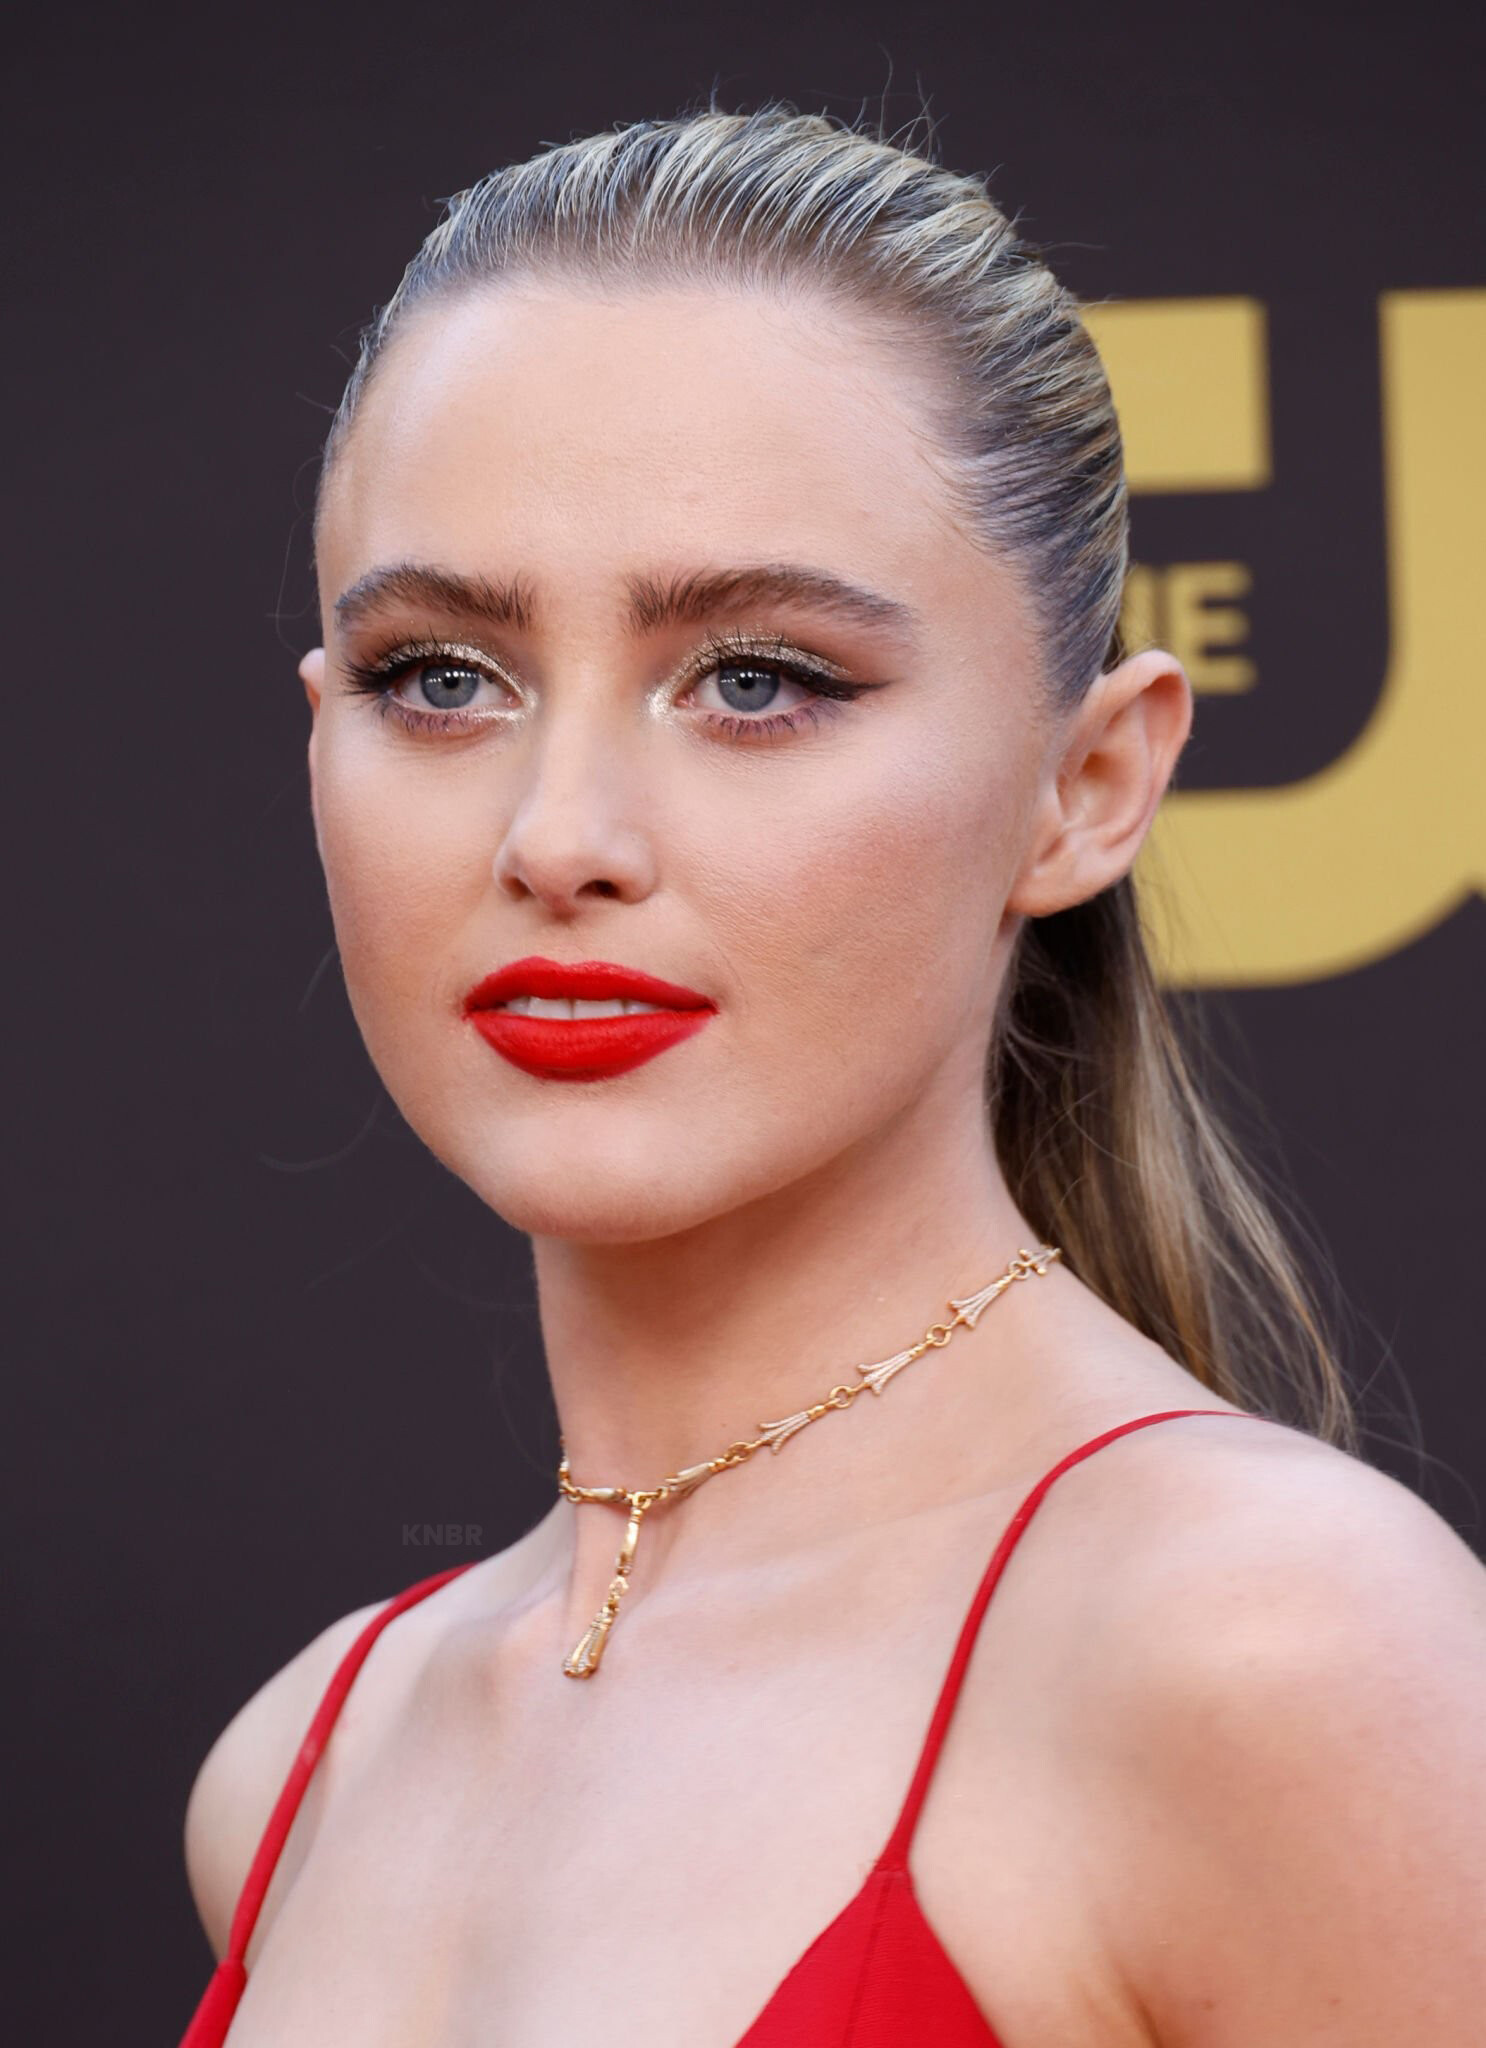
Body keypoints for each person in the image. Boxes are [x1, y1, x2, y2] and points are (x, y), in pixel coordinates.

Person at [178, 104, 1486, 2045]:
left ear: (1084, 783)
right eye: (439, 677)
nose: (560, 835)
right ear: (318, 740)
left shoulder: (1274, 1650)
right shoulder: (303, 1765)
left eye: (756, 679)